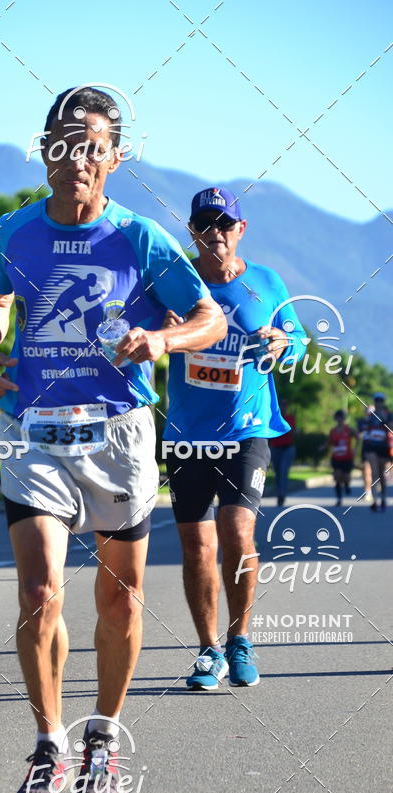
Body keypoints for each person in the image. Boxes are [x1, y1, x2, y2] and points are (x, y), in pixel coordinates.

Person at [0, 88, 226, 793]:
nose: (77, 158)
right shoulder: (11, 233)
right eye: (64, 142)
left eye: (93, 146)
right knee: (37, 592)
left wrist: (161, 339)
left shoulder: (139, 239)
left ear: (114, 156)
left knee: (117, 599)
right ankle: (50, 747)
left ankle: (104, 737)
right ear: (45, 148)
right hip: (37, 429)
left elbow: (205, 316)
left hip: (119, 434)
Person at [162, 186, 306, 691]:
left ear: (241, 231)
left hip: (249, 429)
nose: (215, 234)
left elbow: (299, 337)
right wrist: (163, 328)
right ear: (193, 231)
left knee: (237, 532)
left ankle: (240, 639)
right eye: (205, 225)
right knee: (196, 545)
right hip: (186, 433)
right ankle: (208, 650)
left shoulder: (266, 282)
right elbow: (134, 330)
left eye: (225, 225)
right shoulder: (174, 282)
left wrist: (285, 342)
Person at [361, 392, 392, 511]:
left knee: (381, 475)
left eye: (380, 401)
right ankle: (375, 501)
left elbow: (391, 428)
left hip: (383, 447)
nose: (378, 403)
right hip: (371, 447)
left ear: (383, 402)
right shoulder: (371, 416)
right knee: (374, 473)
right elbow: (365, 428)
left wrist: (384, 420)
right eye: (376, 400)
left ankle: (383, 499)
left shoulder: (388, 415)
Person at [321, 410, 356, 506]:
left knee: (346, 477)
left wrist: (355, 449)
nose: (340, 419)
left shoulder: (349, 429)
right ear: (336, 418)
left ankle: (347, 485)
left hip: (347, 457)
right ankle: (339, 498)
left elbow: (358, 437)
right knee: (337, 476)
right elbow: (329, 442)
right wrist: (323, 447)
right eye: (338, 417)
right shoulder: (333, 431)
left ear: (344, 418)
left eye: (342, 417)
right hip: (336, 457)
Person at [269, 398, 296, 505]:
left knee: (283, 472)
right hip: (275, 447)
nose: (283, 408)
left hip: (287, 448)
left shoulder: (290, 418)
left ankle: (282, 495)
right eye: (281, 405)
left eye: (285, 405)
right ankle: (279, 492)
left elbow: (292, 431)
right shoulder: (273, 418)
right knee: (277, 472)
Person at [357, 405, 376, 504]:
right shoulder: (361, 422)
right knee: (366, 471)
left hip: (378, 450)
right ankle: (368, 492)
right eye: (369, 412)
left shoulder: (379, 422)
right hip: (366, 449)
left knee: (375, 471)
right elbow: (358, 435)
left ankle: (375, 486)